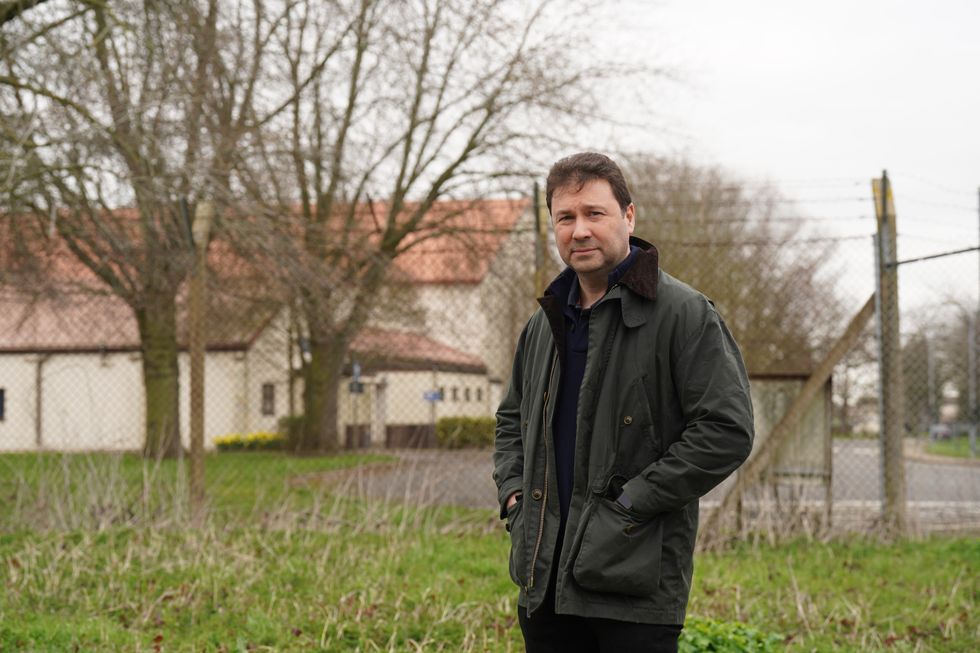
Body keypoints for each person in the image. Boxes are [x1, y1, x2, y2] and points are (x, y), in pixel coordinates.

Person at [492, 152, 754, 652]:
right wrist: (515, 497)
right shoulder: (544, 322)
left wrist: (632, 502)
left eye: (595, 213)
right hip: (542, 579)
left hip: (634, 586)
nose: (580, 231)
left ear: (628, 217)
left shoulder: (684, 314)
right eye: (565, 218)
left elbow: (726, 431)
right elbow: (510, 420)